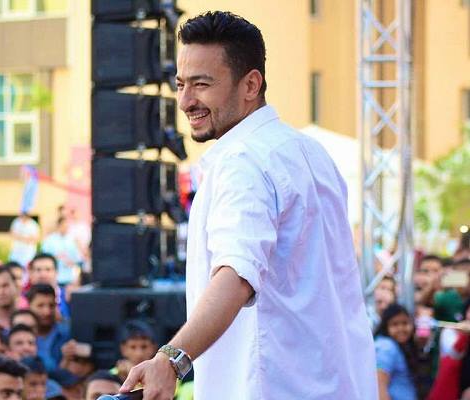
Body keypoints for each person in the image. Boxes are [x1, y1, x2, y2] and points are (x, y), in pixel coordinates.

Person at [121, 11, 377, 399]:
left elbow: (237, 273)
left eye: (202, 84)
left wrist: (171, 360)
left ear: (251, 84)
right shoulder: (311, 153)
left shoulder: (244, 162)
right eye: (181, 84)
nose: (186, 101)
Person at [374, 304, 418, 400]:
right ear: (386, 326)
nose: (401, 329)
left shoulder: (400, 346)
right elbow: (379, 386)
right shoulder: (387, 347)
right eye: (395, 324)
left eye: (405, 323)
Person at [27, 284, 70, 373]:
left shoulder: (67, 333)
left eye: (51, 305)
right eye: (40, 306)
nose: (47, 312)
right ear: (29, 306)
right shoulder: (21, 336)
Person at [41, 218, 83, 287]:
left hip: (69, 278)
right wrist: (55, 257)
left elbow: (78, 259)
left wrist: (72, 262)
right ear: (59, 226)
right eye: (64, 226)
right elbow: (43, 257)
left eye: (67, 226)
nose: (65, 228)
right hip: (54, 278)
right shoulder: (49, 240)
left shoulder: (72, 240)